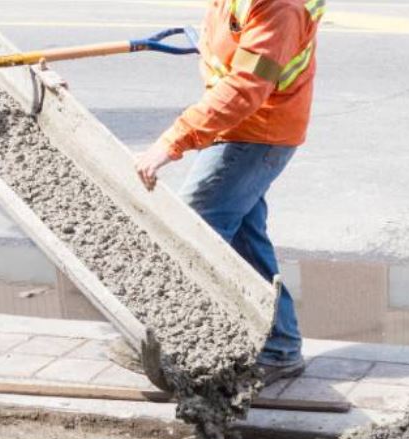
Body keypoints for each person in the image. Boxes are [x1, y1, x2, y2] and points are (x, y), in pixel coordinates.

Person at [134, 0, 325, 384]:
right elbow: (234, 34)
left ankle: (175, 342)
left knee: (193, 233)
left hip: (257, 133)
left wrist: (174, 140)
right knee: (243, 240)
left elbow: (247, 86)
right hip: (241, 127)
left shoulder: (281, 7)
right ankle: (280, 345)